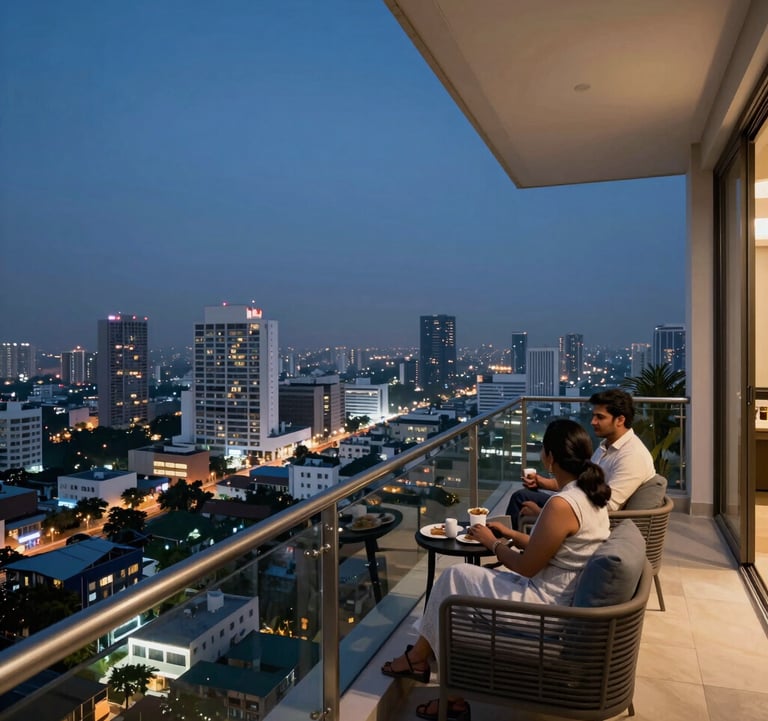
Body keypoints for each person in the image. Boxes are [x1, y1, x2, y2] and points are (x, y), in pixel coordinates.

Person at [381, 419, 611, 721]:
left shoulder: (562, 504)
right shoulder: (590, 496)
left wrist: (493, 544)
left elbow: (527, 567)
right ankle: (436, 677)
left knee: (455, 578)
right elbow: (558, 549)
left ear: (550, 457)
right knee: (457, 586)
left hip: (547, 611)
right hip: (561, 599)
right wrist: (512, 535)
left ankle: (426, 668)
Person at [505, 388, 655, 529]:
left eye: (600, 417)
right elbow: (581, 481)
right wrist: (541, 482)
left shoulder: (632, 456)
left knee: (522, 499)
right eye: (594, 416)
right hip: (580, 503)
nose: (593, 422)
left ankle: (520, 548)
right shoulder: (607, 446)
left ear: (620, 420)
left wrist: (544, 514)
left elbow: (607, 506)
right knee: (522, 496)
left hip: (590, 517)